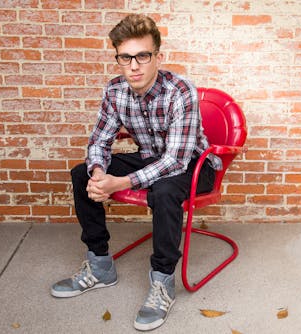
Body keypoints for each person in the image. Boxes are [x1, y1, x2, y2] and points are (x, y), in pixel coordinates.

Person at [51, 14, 221, 331]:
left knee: (165, 190)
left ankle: (162, 281)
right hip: (149, 159)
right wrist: (100, 173)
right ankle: (100, 265)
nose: (134, 66)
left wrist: (123, 181)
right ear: (118, 58)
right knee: (81, 173)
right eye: (126, 57)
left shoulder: (180, 90)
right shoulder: (115, 91)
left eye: (142, 55)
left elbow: (174, 161)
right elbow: (99, 141)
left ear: (158, 56)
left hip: (194, 165)